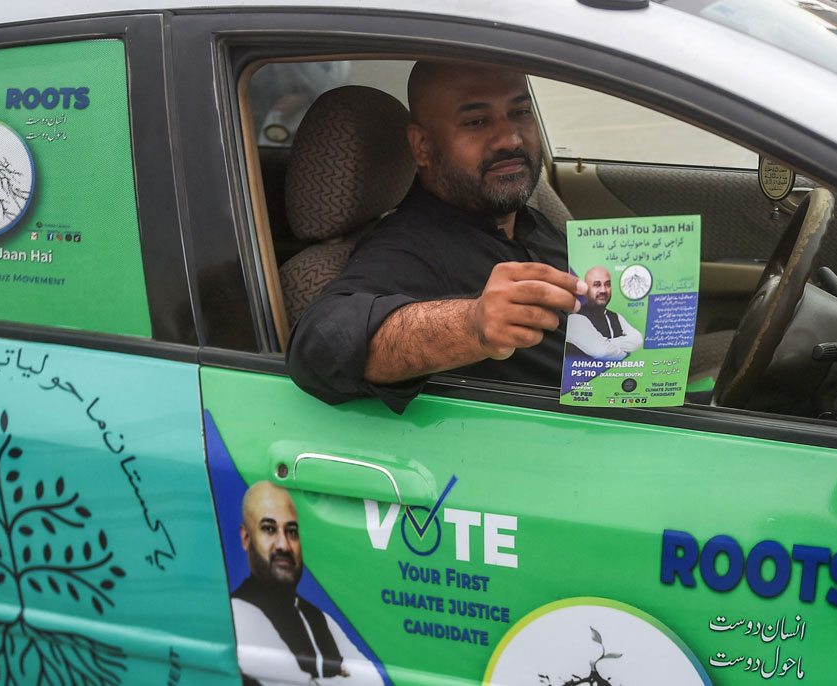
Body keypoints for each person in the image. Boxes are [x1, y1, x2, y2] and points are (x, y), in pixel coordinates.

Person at [287, 61, 586, 414]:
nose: (511, 138)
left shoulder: (525, 217)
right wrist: (472, 324)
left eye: (520, 112)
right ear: (423, 146)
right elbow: (320, 345)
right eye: (477, 121)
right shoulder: (409, 247)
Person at [232, 481, 383, 686]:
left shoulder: (318, 617)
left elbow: (374, 681)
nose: (284, 544)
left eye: (291, 531)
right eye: (269, 529)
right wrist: (341, 677)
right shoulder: (237, 613)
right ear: (246, 538)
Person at [565, 266, 643, 361]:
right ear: (585, 290)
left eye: (607, 284)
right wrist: (623, 351)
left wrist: (607, 343)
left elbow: (638, 340)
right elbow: (603, 352)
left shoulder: (616, 317)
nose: (603, 290)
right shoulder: (575, 318)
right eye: (597, 285)